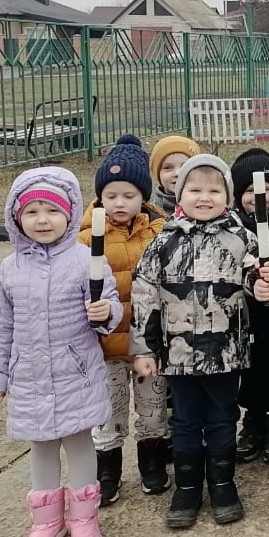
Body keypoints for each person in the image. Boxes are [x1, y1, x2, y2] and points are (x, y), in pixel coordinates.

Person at [0, 166, 122, 537]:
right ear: (17, 217)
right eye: (32, 212)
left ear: (70, 214)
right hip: (29, 375)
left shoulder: (84, 260)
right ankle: (46, 522)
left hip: (74, 372)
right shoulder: (11, 269)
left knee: (79, 443)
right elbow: (1, 325)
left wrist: (104, 312)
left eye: (52, 211)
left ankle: (84, 517)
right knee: (41, 447)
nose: (42, 220)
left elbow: (109, 307)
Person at [131, 155, 269, 529]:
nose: (205, 197)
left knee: (223, 418)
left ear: (227, 196)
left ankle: (223, 484)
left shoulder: (242, 238)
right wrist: (144, 349)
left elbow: (253, 285)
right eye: (195, 190)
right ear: (179, 194)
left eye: (214, 190)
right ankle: (187, 487)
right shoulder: (163, 241)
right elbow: (145, 295)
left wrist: (262, 284)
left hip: (226, 351)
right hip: (177, 353)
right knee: (183, 420)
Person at [77, 134, 168, 506]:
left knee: (152, 406)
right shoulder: (83, 240)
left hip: (147, 341)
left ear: (142, 197)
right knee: (109, 412)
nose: (119, 203)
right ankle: (108, 469)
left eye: (128, 195)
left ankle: (152, 462)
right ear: (100, 196)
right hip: (105, 344)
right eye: (111, 195)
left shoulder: (159, 232)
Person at [229, 148, 269, 466]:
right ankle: (252, 419)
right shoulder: (232, 227)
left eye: (265, 189)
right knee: (250, 365)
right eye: (249, 192)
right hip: (246, 311)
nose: (257, 197)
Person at [148, 135, 201, 217]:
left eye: (185, 166)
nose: (178, 173)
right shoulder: (150, 215)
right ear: (158, 174)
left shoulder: (208, 207)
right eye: (168, 168)